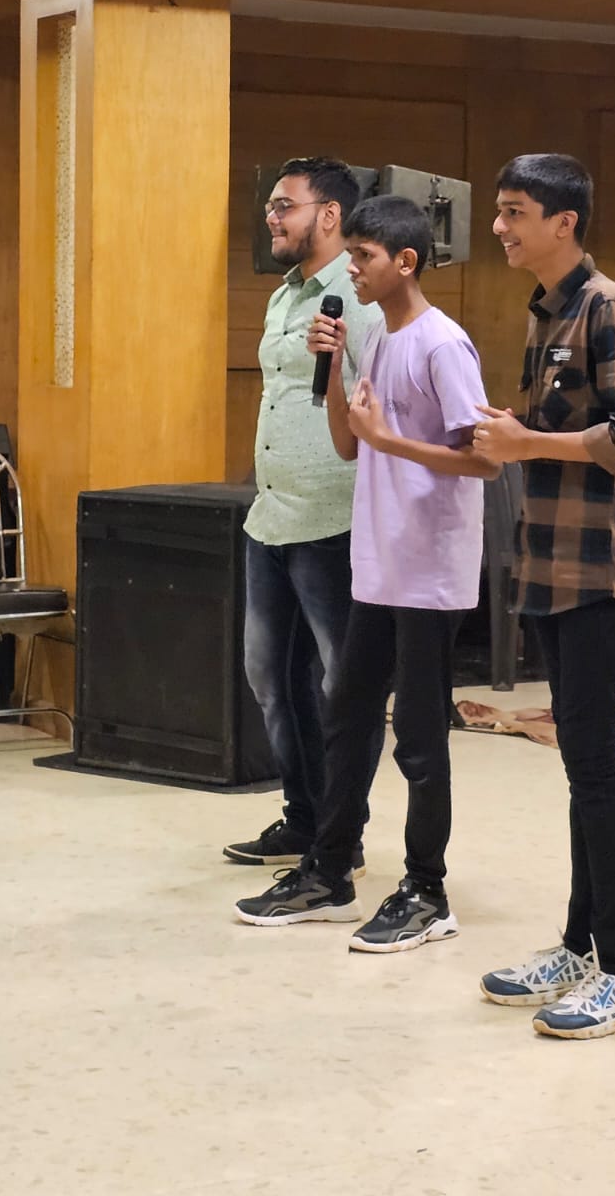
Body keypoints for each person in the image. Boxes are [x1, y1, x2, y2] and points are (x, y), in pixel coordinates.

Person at [234, 195, 498, 952]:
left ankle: (427, 890)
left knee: (418, 735)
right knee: (347, 717)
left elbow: (483, 459)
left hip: (429, 572)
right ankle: (328, 872)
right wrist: (331, 370)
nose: (351, 267)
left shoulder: (443, 345)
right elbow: (352, 446)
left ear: (405, 261)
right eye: (349, 254)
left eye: (364, 256)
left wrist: (391, 438)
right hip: (379, 564)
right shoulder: (379, 338)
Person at [472, 153, 615, 1039]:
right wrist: (510, 434)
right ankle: (581, 946)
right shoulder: (547, 311)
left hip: (597, 565)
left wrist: (524, 445)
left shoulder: (610, 308)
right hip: (550, 561)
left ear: (565, 222)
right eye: (499, 211)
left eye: (515, 212)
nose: (500, 228)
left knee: (594, 763)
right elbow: (553, 430)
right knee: (578, 759)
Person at [223, 157, 382, 872]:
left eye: (284, 205)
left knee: (341, 687)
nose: (271, 216)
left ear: (329, 215)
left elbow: (380, 405)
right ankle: (303, 817)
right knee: (269, 677)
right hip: (271, 516)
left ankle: (341, 834)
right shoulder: (283, 296)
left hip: (333, 518)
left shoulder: (363, 298)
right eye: (270, 205)